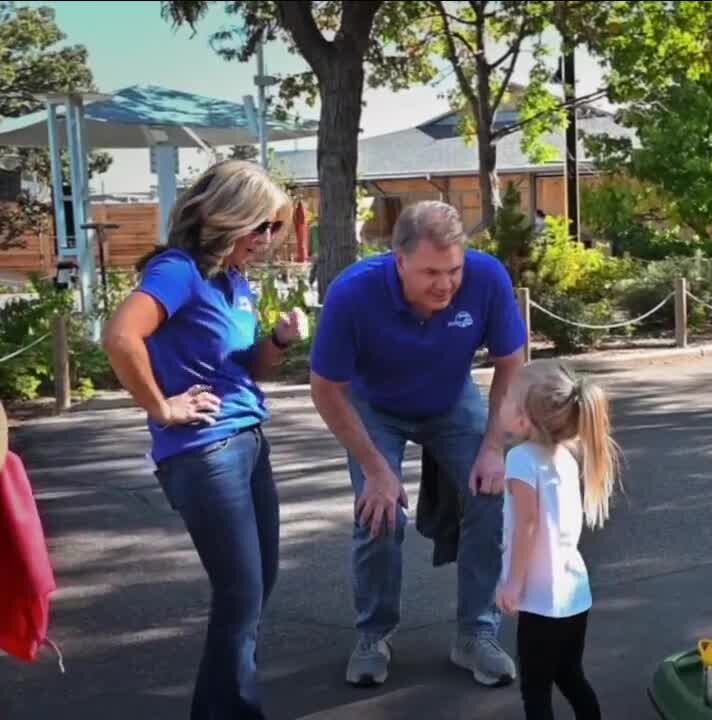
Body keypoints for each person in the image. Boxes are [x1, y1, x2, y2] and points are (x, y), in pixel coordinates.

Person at [102, 160, 307, 719]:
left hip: (249, 441)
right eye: (261, 226)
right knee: (239, 597)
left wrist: (281, 341)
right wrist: (162, 407)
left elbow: (244, 369)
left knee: (255, 592)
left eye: (274, 229)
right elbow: (120, 336)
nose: (267, 240)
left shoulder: (231, 281)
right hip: (204, 452)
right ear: (227, 216)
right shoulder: (179, 270)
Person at [309, 200, 527, 689]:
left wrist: (495, 446)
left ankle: (475, 634)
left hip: (450, 399)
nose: (445, 284)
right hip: (376, 406)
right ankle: (373, 634)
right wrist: (377, 471)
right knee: (379, 512)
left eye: (453, 270)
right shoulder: (353, 292)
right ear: (397, 258)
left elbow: (512, 362)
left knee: (491, 495)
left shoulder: (486, 277)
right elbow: (326, 390)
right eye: (430, 271)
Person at [494, 359, 618, 720]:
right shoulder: (563, 455)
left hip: (541, 601)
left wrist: (512, 584)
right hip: (574, 595)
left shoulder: (520, 459)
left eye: (505, 399)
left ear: (522, 418)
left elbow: (526, 525)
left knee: (536, 691)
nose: (498, 403)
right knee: (569, 674)